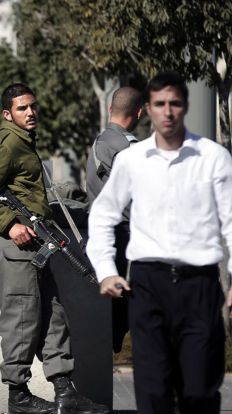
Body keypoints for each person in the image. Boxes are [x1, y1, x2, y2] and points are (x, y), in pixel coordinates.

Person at [86, 71, 232, 414]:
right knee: (153, 392)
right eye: (160, 104)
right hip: (149, 285)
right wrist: (105, 270)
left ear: (185, 107)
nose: (168, 112)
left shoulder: (212, 157)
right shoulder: (131, 160)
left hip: (200, 287)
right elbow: (103, 215)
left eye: (175, 104)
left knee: (199, 392)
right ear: (147, 109)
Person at [0, 83, 108, 414]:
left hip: (36, 246)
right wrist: (11, 224)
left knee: (53, 318)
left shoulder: (24, 143)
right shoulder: (5, 146)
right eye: (21, 108)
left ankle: (64, 392)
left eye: (32, 106)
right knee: (21, 318)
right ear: (8, 114)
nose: (30, 112)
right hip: (17, 248)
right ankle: (18, 395)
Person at [85, 86, 142, 353]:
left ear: (110, 109)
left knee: (110, 308)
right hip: (127, 237)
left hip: (102, 237)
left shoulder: (97, 145)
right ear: (139, 113)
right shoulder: (132, 149)